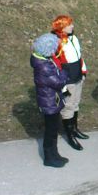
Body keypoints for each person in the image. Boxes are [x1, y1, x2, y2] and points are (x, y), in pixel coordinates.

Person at [30, 33, 70, 168]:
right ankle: (49, 157)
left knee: (53, 129)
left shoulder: (43, 60)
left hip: (52, 100)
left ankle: (55, 154)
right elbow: (58, 82)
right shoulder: (44, 66)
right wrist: (65, 73)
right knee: (51, 131)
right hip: (49, 103)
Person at [51, 15, 89, 151]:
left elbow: (79, 56)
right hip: (67, 80)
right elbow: (55, 64)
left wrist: (83, 72)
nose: (72, 26)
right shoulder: (56, 42)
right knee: (68, 107)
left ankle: (75, 129)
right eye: (69, 25)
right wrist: (63, 84)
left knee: (76, 104)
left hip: (78, 76)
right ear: (62, 27)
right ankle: (70, 136)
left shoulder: (73, 38)